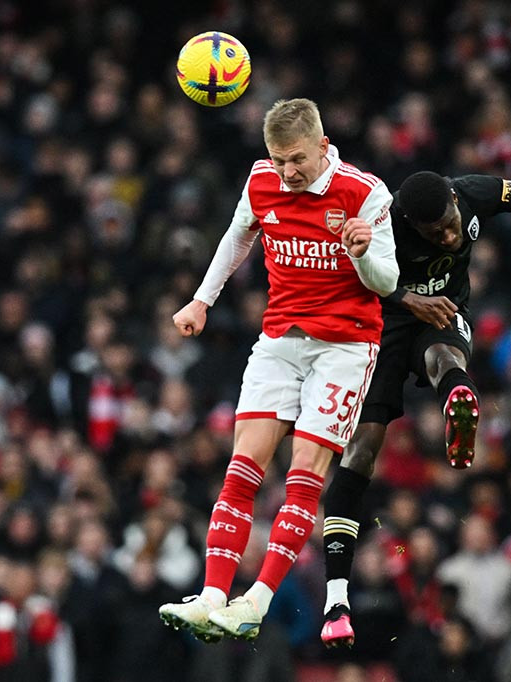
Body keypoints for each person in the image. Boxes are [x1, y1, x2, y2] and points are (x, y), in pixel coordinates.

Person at [158, 98, 398, 642]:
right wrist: (202, 300)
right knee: (242, 468)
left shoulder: (366, 193)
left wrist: (361, 253)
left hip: (345, 348)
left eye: (296, 159)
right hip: (280, 341)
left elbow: (386, 282)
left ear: (322, 145)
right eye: (277, 159)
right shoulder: (263, 179)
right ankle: (214, 595)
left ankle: (257, 600)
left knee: (303, 472)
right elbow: (239, 233)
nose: (287, 172)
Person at [320, 170, 511, 646]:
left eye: (450, 223)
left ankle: (458, 401)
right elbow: (343, 274)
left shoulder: (469, 192)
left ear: (453, 200)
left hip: (441, 312)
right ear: (409, 223)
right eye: (435, 233)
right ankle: (336, 596)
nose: (449, 236)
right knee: (362, 447)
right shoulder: (381, 219)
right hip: (381, 325)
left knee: (445, 355)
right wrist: (406, 297)